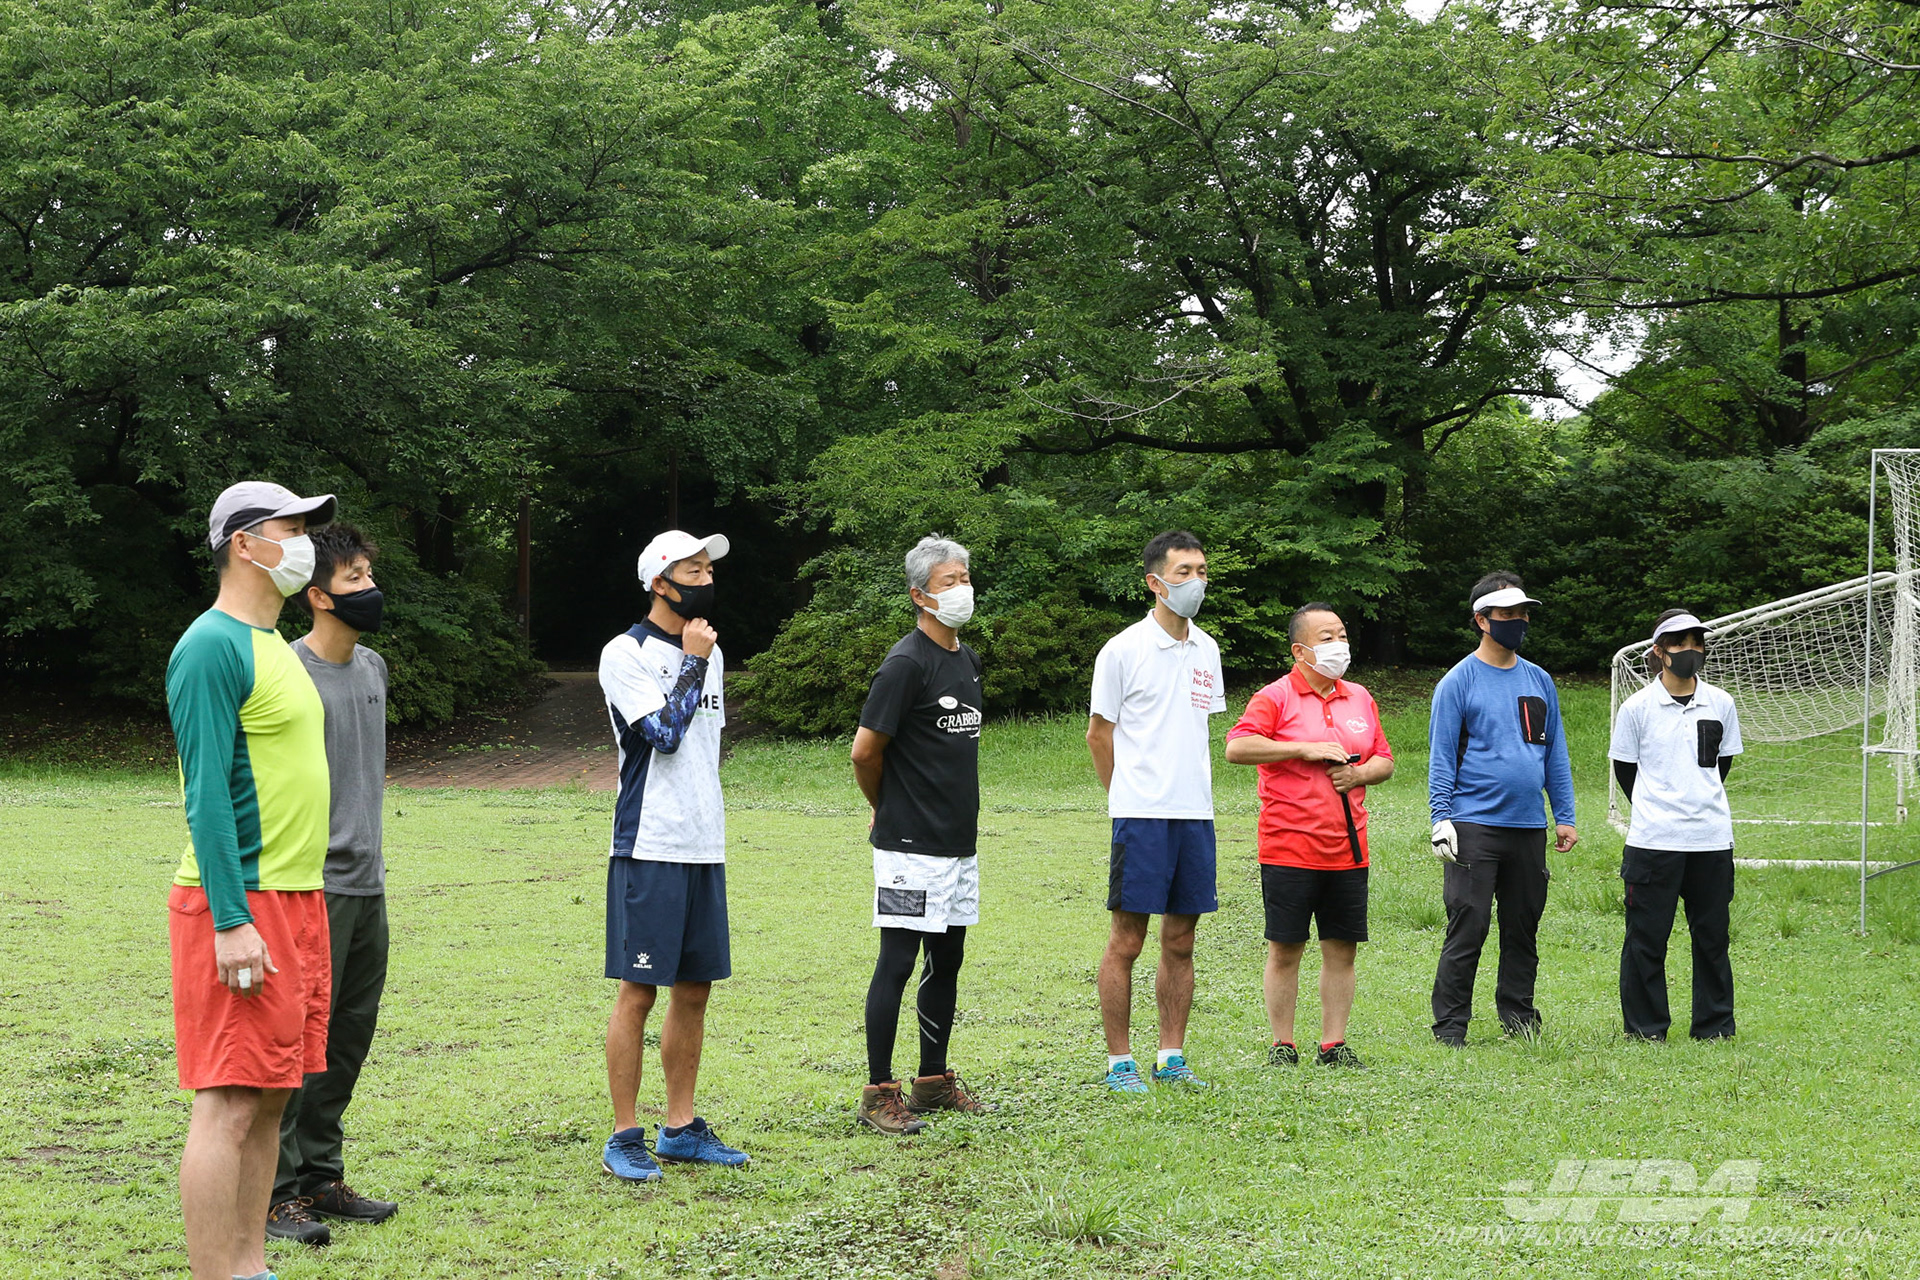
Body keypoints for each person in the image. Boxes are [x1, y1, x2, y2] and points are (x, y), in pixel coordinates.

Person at [167, 481, 337, 1280]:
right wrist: (231, 919)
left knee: (272, 1096)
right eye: (291, 528)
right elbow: (204, 796)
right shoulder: (211, 645)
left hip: (298, 897)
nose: (306, 544)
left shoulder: (275, 644)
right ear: (244, 542)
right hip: (240, 901)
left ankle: (249, 1265)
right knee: (230, 1100)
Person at [598, 530, 749, 1182]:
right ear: (660, 583)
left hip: (702, 844)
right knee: (639, 990)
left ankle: (681, 1129)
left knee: (695, 988)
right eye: (693, 570)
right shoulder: (624, 652)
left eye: (709, 568)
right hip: (649, 844)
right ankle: (624, 1134)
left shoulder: (708, 650)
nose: (706, 578)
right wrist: (691, 662)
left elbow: (705, 751)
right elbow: (662, 736)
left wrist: (698, 658)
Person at [265, 523, 398, 1246]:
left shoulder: (372, 667)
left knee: (347, 1038)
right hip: (309, 887)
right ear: (317, 595)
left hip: (368, 884)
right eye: (354, 578)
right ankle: (275, 1192)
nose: (370, 588)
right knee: (296, 1042)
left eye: (369, 573)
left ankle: (320, 1175)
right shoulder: (286, 673)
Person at [850, 536, 988, 1135]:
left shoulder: (967, 659)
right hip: (909, 848)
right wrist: (884, 807)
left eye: (965, 578)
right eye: (948, 582)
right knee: (899, 961)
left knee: (947, 958)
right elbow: (864, 752)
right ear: (919, 595)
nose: (961, 590)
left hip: (958, 844)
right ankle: (878, 1092)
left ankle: (932, 1081)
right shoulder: (905, 664)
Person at [1088, 530, 1228, 1092]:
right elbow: (1099, 735)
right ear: (1155, 582)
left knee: (1181, 940)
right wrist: (1124, 797)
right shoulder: (1122, 650)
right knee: (1127, 940)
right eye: (1183, 572)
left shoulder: (1207, 649)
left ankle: (1171, 1056)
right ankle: (1119, 1062)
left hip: (1195, 814)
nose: (1196, 581)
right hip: (1141, 816)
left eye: (1201, 570)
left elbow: (1195, 729)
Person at [1225, 603, 1394, 1069]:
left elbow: (1383, 759)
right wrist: (1302, 748)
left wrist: (1359, 776)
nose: (1339, 645)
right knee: (1286, 949)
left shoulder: (1360, 697)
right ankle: (1283, 1044)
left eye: (1342, 635)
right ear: (1300, 651)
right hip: (1289, 846)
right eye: (1327, 637)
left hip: (1349, 847)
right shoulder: (1275, 697)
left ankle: (1333, 1044)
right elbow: (1237, 746)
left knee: (1342, 948)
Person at [1427, 571, 1577, 1047]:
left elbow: (1554, 753)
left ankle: (1519, 1017)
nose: (1519, 621)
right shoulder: (1458, 682)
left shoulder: (1539, 680)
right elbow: (1441, 755)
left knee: (1523, 926)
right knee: (1468, 926)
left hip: (1528, 825)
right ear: (1482, 620)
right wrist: (1440, 817)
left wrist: (1564, 815)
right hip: (1473, 824)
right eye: (1507, 613)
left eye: (1523, 613)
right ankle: (1451, 1026)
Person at [1609, 609, 1742, 1041]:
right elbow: (1625, 770)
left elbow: (1722, 764)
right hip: (1653, 842)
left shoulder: (1721, 703)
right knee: (1646, 940)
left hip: (1711, 839)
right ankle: (1646, 1029)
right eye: (1680, 643)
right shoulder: (1636, 708)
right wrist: (1659, 808)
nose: (1690, 650)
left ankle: (1714, 1026)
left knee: (1713, 938)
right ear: (1659, 651)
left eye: (1697, 642)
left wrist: (1696, 801)